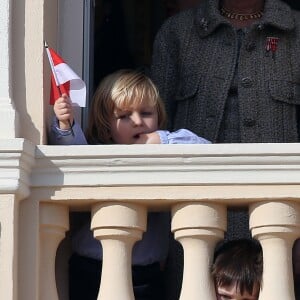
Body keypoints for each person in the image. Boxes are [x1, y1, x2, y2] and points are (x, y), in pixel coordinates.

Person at [49, 69, 210, 300]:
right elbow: (71, 154)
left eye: (146, 113)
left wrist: (161, 139)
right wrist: (65, 125)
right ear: (106, 126)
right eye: (124, 116)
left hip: (146, 276)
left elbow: (207, 149)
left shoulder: (165, 154)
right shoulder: (98, 155)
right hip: (92, 269)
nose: (137, 122)